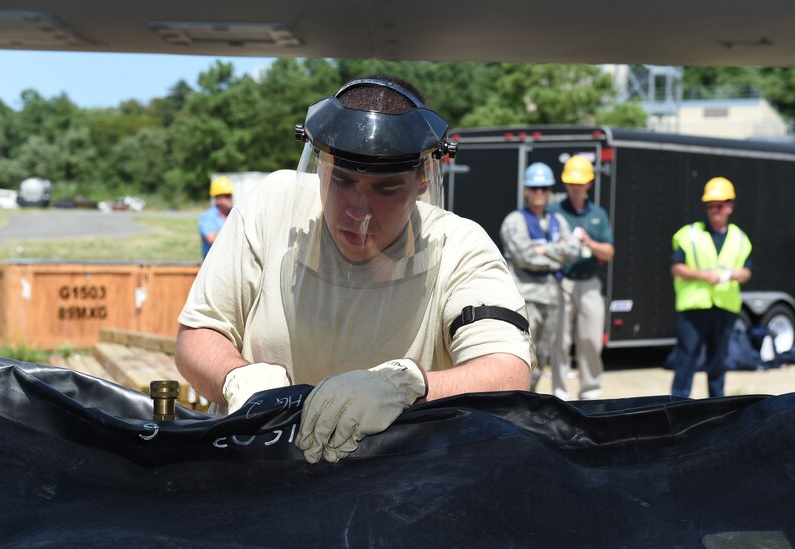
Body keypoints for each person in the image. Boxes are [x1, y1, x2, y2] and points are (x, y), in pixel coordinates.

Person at [175, 75, 535, 464]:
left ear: (422, 180)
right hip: (262, 468)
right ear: (319, 163)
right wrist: (236, 377)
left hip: (392, 482)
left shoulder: (459, 245)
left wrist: (406, 388)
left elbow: (508, 373)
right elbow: (198, 334)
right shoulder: (271, 207)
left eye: (386, 188)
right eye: (342, 180)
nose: (357, 210)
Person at [669, 177, 752, 398]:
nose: (715, 210)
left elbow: (747, 272)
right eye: (711, 205)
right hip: (695, 307)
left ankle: (717, 411)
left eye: (720, 205)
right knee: (686, 361)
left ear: (730, 206)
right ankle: (677, 409)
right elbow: (677, 268)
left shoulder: (740, 238)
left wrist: (736, 275)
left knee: (718, 364)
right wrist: (704, 275)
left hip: (724, 308)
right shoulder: (689, 234)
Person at [500, 162, 580, 391]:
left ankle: (529, 397)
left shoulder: (557, 221)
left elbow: (574, 250)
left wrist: (544, 250)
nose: (539, 193)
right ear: (526, 190)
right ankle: (516, 397)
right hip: (525, 297)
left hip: (552, 297)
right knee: (522, 354)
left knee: (542, 355)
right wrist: (556, 253)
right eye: (534, 188)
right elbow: (525, 257)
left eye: (544, 188)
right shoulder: (515, 220)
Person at [549, 155, 615, 400]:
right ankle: (560, 394)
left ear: (589, 183)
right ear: (566, 184)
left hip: (588, 282)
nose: (575, 188)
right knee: (560, 340)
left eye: (580, 183)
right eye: (571, 183)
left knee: (590, 338)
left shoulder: (598, 214)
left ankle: (591, 392)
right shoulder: (554, 211)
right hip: (561, 281)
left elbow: (609, 252)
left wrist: (589, 243)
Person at [198, 176, 235, 258]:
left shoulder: (234, 214)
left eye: (230, 195)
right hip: (212, 264)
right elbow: (211, 239)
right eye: (227, 196)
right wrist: (234, 230)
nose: (230, 199)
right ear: (218, 198)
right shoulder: (208, 216)